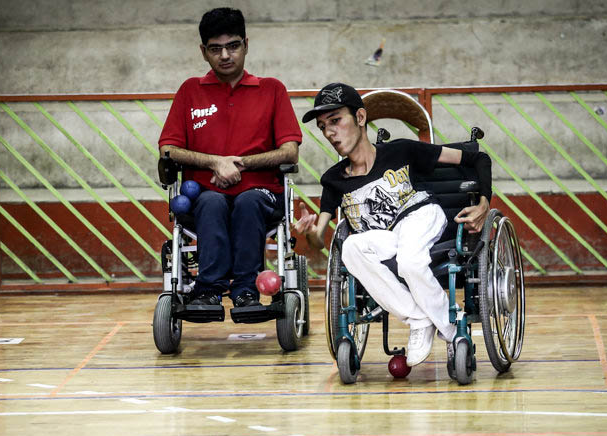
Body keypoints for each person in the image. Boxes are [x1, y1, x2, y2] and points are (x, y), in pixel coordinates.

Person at [295, 83, 491, 367]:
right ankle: (419, 318)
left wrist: (484, 203)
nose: (329, 133)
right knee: (350, 247)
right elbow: (319, 240)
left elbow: (478, 158)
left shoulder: (400, 151)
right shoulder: (333, 179)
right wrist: (311, 232)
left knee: (409, 262)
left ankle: (449, 328)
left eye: (336, 121)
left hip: (420, 215)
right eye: (323, 127)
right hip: (385, 238)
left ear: (360, 118)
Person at [158, 7, 302, 308]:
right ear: (203, 52)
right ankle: (208, 289)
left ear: (246, 45)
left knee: (248, 202)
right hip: (204, 194)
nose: (225, 55)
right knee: (212, 202)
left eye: (233, 46)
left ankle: (246, 290)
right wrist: (214, 162)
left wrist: (240, 163)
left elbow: (290, 152)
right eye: (215, 48)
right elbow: (168, 149)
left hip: (261, 194)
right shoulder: (189, 91)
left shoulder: (272, 89)